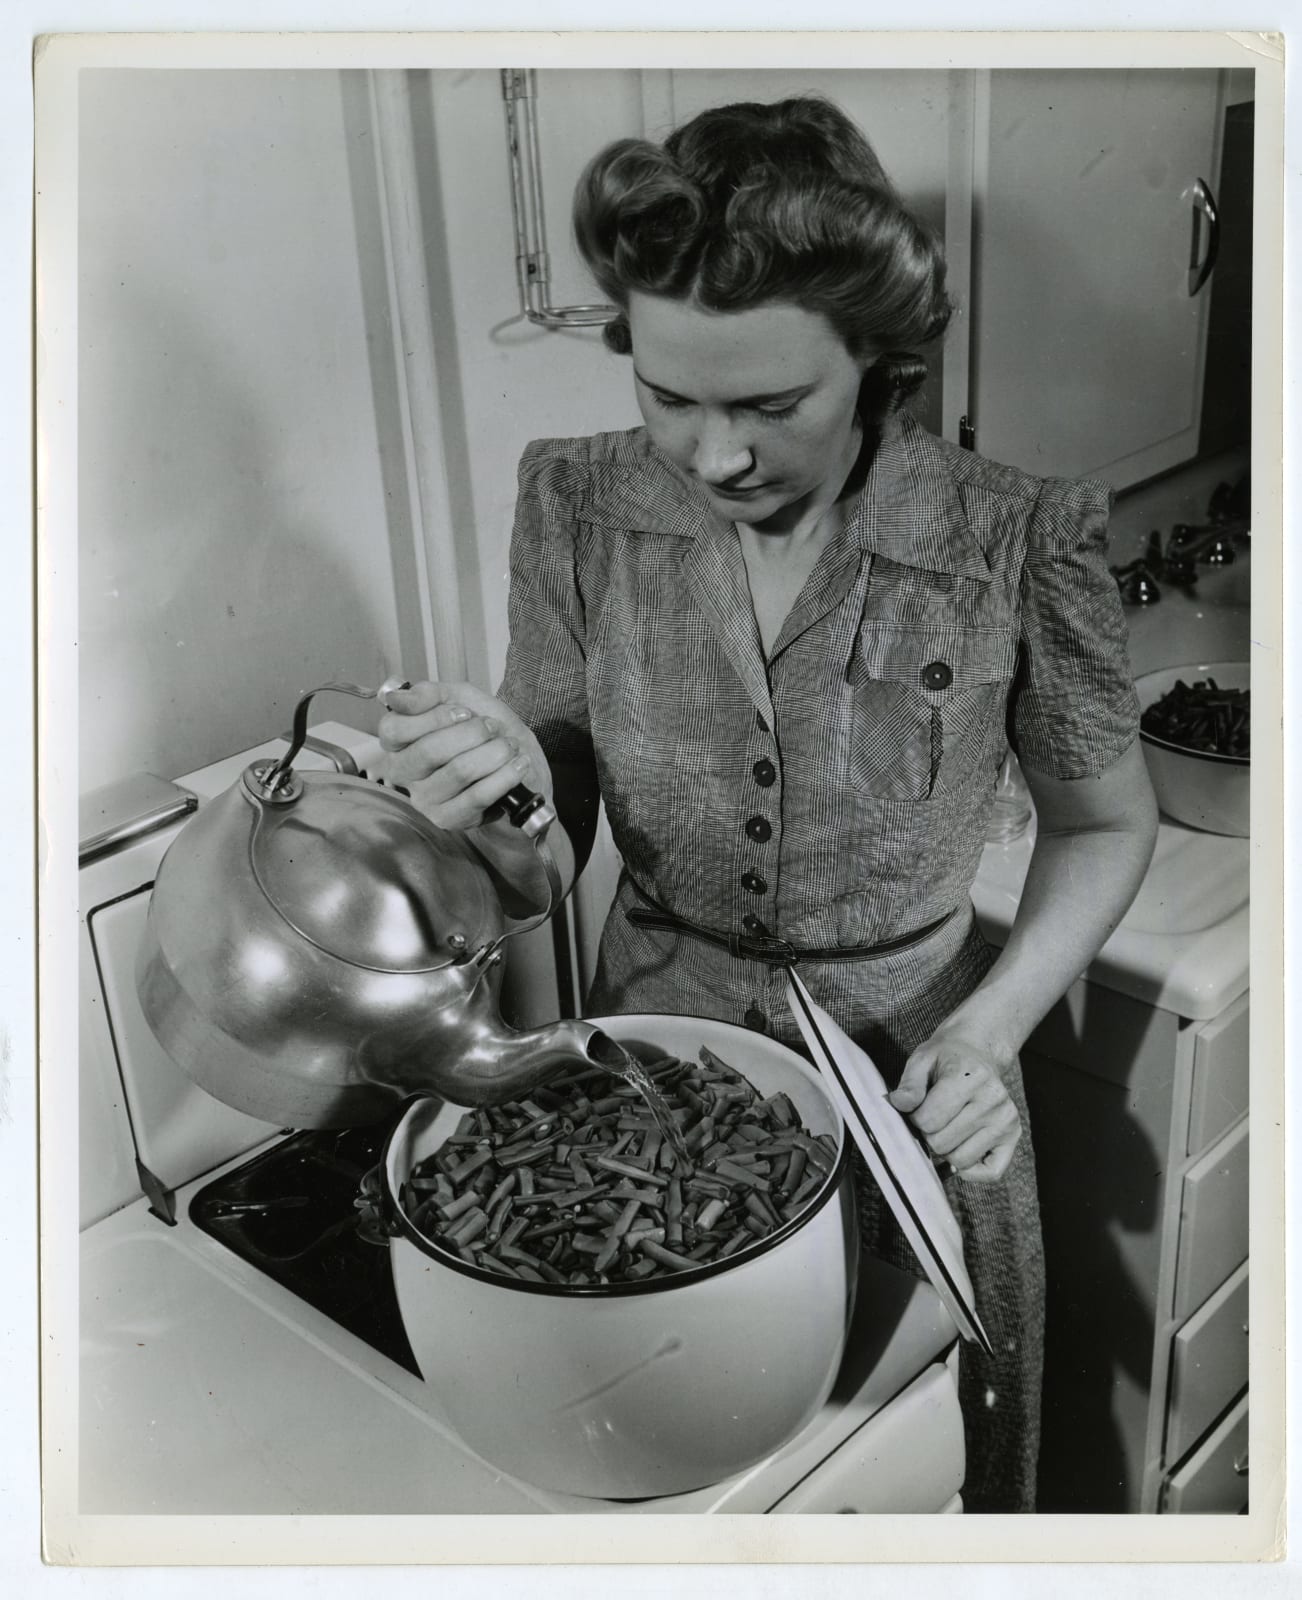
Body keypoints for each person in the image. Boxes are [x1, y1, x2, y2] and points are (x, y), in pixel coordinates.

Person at [377, 95, 1159, 1513]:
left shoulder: (1009, 536)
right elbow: (542, 843)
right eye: (668, 397)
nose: (716, 454)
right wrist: (498, 790)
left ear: (876, 355)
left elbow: (1106, 824)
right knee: (683, 1469)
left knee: (924, 1457)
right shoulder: (574, 504)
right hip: (653, 1091)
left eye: (768, 404)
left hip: (926, 1083)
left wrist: (989, 1035)